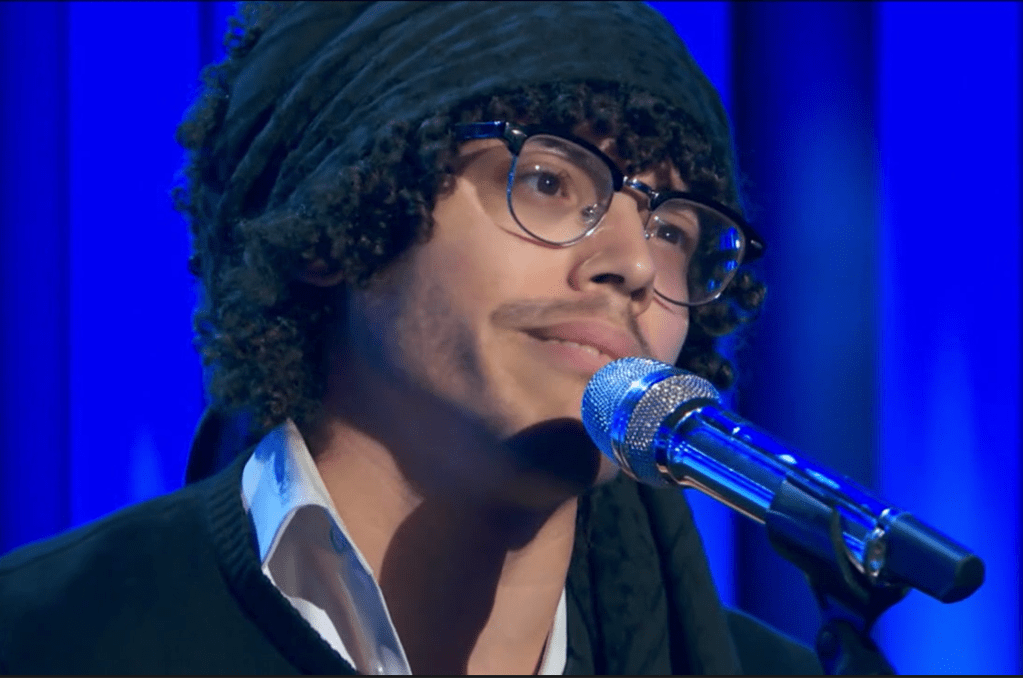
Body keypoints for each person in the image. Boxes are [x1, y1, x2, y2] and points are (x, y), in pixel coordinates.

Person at [0, 2, 822, 674]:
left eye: (672, 230)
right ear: (340, 221)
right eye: (547, 181)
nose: (635, 264)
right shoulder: (45, 638)